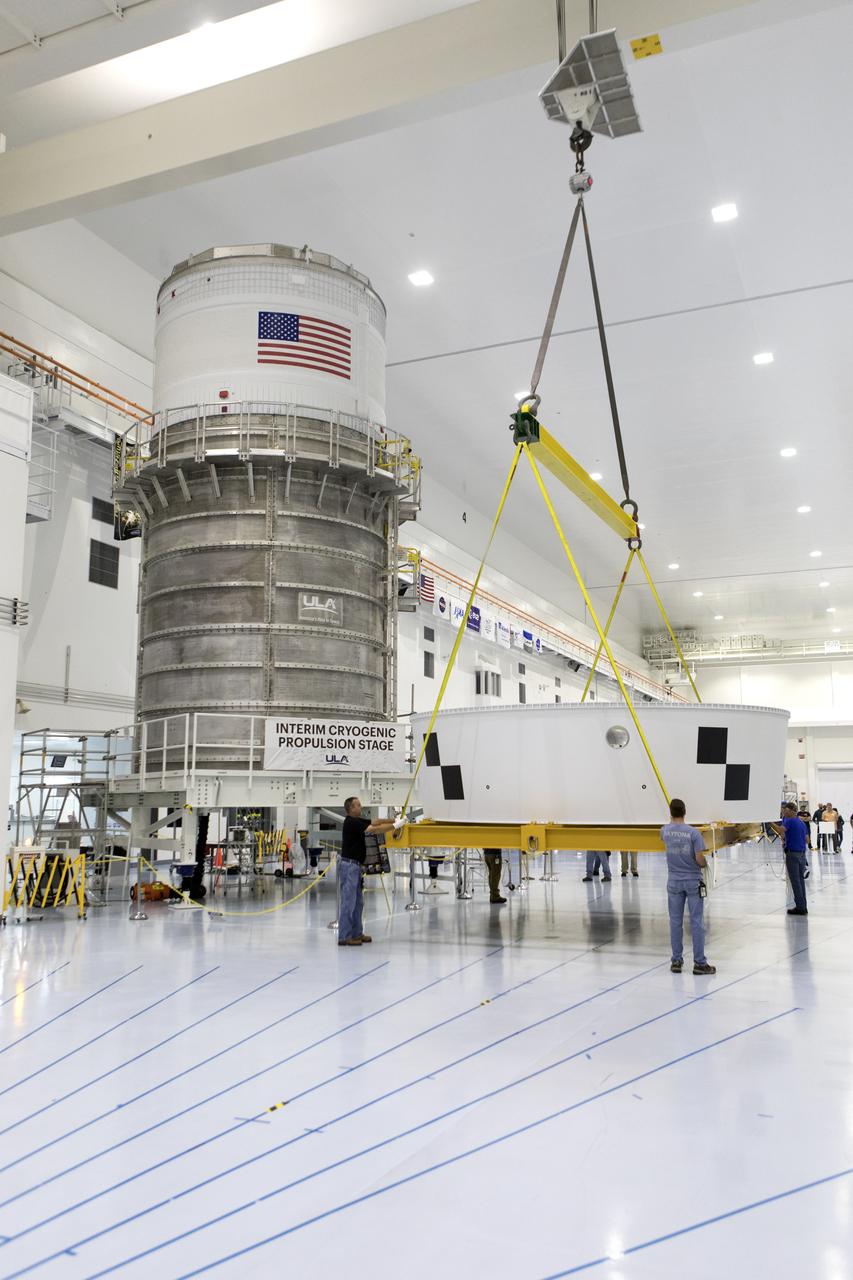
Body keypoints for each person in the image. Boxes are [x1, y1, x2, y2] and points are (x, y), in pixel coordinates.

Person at [662, 798, 716, 975]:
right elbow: (699, 858)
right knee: (696, 922)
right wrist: (703, 864)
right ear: (685, 812)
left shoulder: (664, 831)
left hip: (674, 881)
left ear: (671, 812)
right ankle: (700, 963)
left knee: (675, 922)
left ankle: (676, 961)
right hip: (693, 880)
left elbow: (667, 831)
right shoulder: (693, 833)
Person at [338, 797, 396, 946]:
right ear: (350, 808)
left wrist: (393, 819)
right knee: (348, 902)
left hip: (356, 866)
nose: (360, 807)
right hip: (349, 866)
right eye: (357, 805)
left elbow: (376, 821)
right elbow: (375, 830)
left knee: (358, 902)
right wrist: (395, 826)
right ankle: (344, 937)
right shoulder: (351, 823)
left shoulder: (358, 821)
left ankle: (357, 933)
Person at [772, 802, 809, 916]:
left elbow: (779, 830)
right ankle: (803, 905)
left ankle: (800, 907)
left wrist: (768, 822)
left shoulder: (790, 821)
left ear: (791, 810)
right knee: (800, 880)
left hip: (793, 854)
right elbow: (807, 840)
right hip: (802, 854)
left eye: (784, 809)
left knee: (795, 881)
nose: (783, 811)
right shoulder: (801, 822)